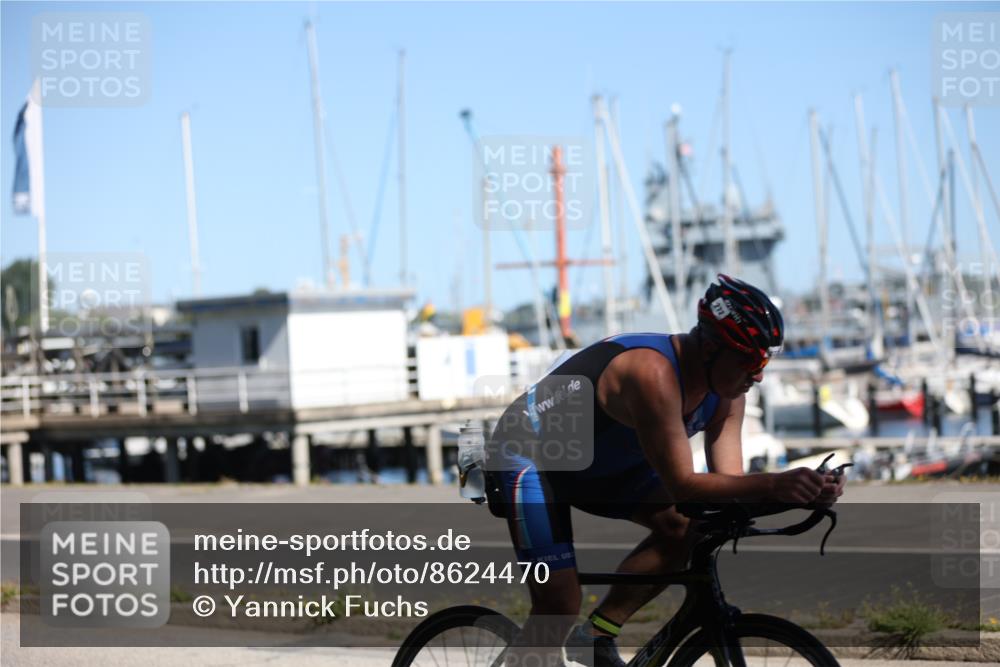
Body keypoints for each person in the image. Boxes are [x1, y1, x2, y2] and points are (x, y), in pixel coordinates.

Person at [486, 275, 846, 667]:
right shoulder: (651, 374)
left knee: (685, 528)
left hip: (601, 467)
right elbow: (686, 486)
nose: (757, 375)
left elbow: (730, 490)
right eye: (750, 361)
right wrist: (776, 483)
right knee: (558, 603)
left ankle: (595, 637)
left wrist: (805, 492)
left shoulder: (728, 393)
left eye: (764, 361)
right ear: (709, 348)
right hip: (530, 458)